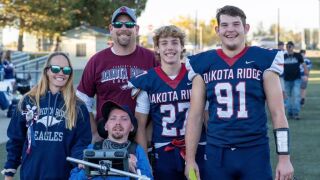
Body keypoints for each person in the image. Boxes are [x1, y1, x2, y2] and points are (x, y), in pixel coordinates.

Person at [184, 5, 294, 180]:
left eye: (236, 24)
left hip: (254, 151)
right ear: (217, 29)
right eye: (225, 25)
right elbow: (195, 116)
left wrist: (284, 158)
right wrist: (189, 160)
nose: (230, 30)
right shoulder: (203, 63)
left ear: (246, 28)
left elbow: (278, 113)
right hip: (217, 152)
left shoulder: (264, 60)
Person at [129, 25, 206, 180]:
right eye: (164, 43)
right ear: (157, 48)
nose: (169, 48)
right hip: (164, 149)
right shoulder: (148, 81)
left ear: (182, 46)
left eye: (174, 42)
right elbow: (140, 126)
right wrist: (144, 162)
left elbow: (207, 117)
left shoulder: (195, 76)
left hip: (198, 146)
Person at [2, 52, 92, 180]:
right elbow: (16, 139)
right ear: (47, 71)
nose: (61, 73)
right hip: (31, 175)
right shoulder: (28, 101)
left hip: (64, 176)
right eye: (55, 69)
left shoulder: (78, 107)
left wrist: (80, 160)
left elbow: (81, 143)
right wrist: (9, 173)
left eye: (66, 70)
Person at [76, 6, 158, 142]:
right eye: (118, 24)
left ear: (136, 29)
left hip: (142, 140)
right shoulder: (97, 61)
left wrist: (149, 134)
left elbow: (163, 100)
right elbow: (83, 100)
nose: (123, 28)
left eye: (129, 24)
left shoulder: (152, 59)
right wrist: (95, 132)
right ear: (111, 29)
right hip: (108, 140)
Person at [70, 100, 153, 180]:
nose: (118, 122)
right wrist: (88, 171)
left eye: (124, 119)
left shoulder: (137, 151)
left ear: (131, 127)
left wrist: (135, 172)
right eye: (113, 118)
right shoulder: (93, 149)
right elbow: (73, 178)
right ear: (106, 126)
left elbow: (148, 178)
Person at [284, 41, 308, 120]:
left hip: (296, 79)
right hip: (287, 79)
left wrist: (306, 75)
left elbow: (304, 66)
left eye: (290, 46)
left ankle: (296, 113)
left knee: (296, 95)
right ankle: (290, 113)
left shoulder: (298, 55)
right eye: (287, 46)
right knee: (288, 97)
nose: (289, 48)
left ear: (293, 47)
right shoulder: (283, 56)